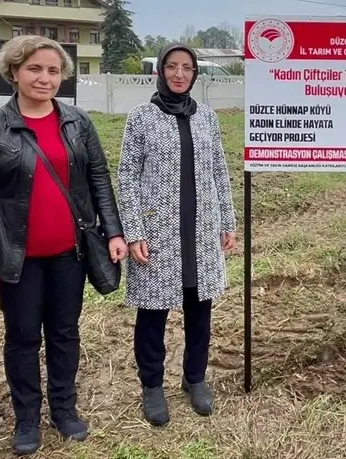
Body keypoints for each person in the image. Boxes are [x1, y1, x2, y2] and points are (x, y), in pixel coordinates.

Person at [0, 35, 126, 456]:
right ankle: (26, 417)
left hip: (70, 253)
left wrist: (115, 231)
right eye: (34, 69)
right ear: (13, 71)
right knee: (23, 337)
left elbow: (99, 179)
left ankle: (64, 410)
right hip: (18, 258)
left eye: (53, 71)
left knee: (66, 334)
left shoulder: (77, 122)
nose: (44, 78)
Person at [117, 42, 237, 427]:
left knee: (200, 312)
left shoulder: (207, 117)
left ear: (195, 73)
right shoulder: (142, 117)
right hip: (159, 234)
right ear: (161, 72)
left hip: (200, 233)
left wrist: (227, 222)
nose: (179, 74)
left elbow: (219, 171)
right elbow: (127, 176)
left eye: (187, 67)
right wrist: (134, 231)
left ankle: (195, 377)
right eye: (172, 66)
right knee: (152, 314)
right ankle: (152, 385)